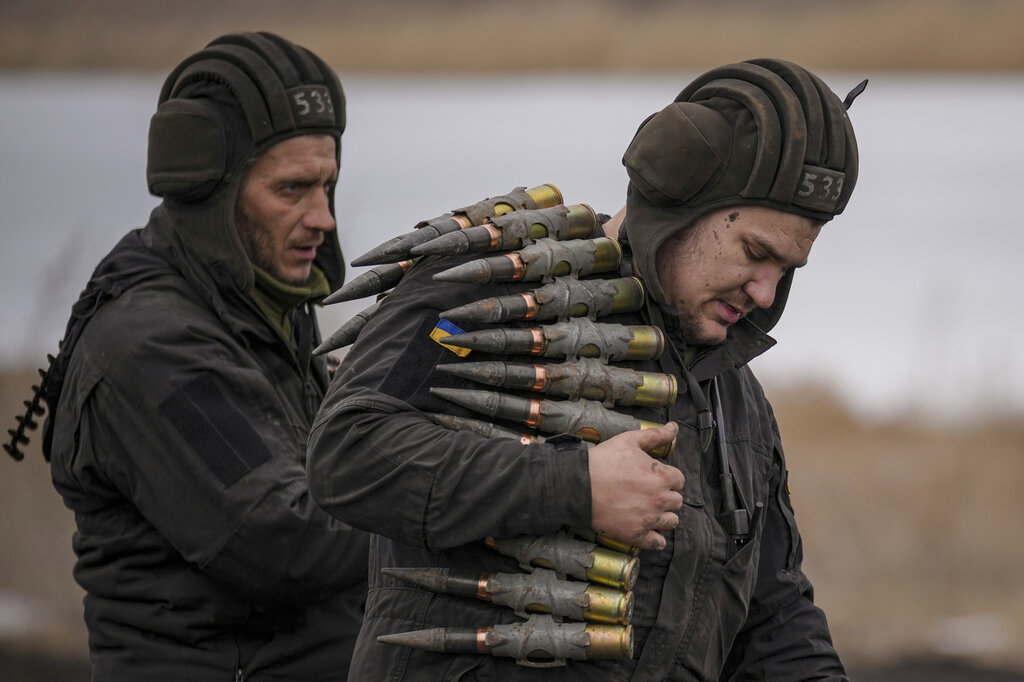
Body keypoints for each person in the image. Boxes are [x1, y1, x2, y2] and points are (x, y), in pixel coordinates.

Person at [307, 58, 862, 680]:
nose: (765, 292)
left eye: (785, 269)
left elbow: (774, 619)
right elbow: (347, 451)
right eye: (755, 252)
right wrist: (575, 485)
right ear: (681, 200)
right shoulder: (480, 299)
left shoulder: (736, 405)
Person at [39, 32, 369, 681]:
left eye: (326, 186)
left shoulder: (260, 308)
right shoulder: (150, 348)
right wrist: (460, 501)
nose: (322, 218)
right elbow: (288, 540)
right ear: (213, 192)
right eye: (292, 189)